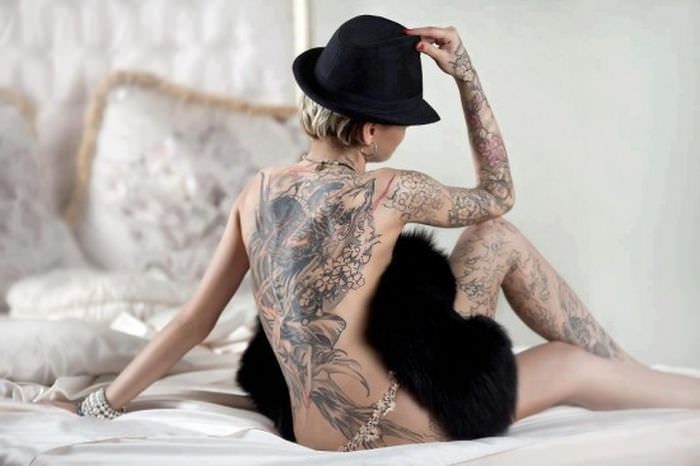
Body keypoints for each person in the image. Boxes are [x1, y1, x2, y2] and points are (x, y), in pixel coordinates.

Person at [39, 14, 700, 452]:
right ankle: (654, 381)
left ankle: (631, 373)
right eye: (402, 120)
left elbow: (192, 320)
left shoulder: (258, 189)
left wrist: (102, 403)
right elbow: (498, 191)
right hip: (389, 422)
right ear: (369, 130)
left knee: (493, 240)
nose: (404, 132)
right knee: (570, 360)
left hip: (308, 427)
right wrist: (466, 78)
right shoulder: (390, 190)